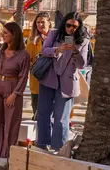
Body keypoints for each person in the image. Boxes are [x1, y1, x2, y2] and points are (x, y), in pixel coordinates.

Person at [36, 12, 89, 151]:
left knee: (61, 118)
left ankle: (59, 148)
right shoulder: (54, 34)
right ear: (64, 24)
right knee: (43, 113)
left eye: (75, 27)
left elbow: (82, 65)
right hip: (49, 78)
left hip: (68, 82)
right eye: (68, 25)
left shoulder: (83, 41)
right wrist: (58, 49)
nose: (71, 29)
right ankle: (42, 144)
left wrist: (75, 51)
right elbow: (44, 51)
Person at [0, 22, 30, 158]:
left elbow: (23, 76)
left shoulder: (24, 55)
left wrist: (15, 94)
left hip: (12, 87)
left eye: (5, 33)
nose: (2, 35)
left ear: (14, 35)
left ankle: (7, 152)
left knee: (11, 121)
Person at [27, 12, 51, 120]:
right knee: (37, 113)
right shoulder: (32, 39)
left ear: (49, 23)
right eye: (38, 22)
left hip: (52, 80)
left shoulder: (55, 37)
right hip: (37, 80)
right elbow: (28, 59)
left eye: (42, 22)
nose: (40, 25)